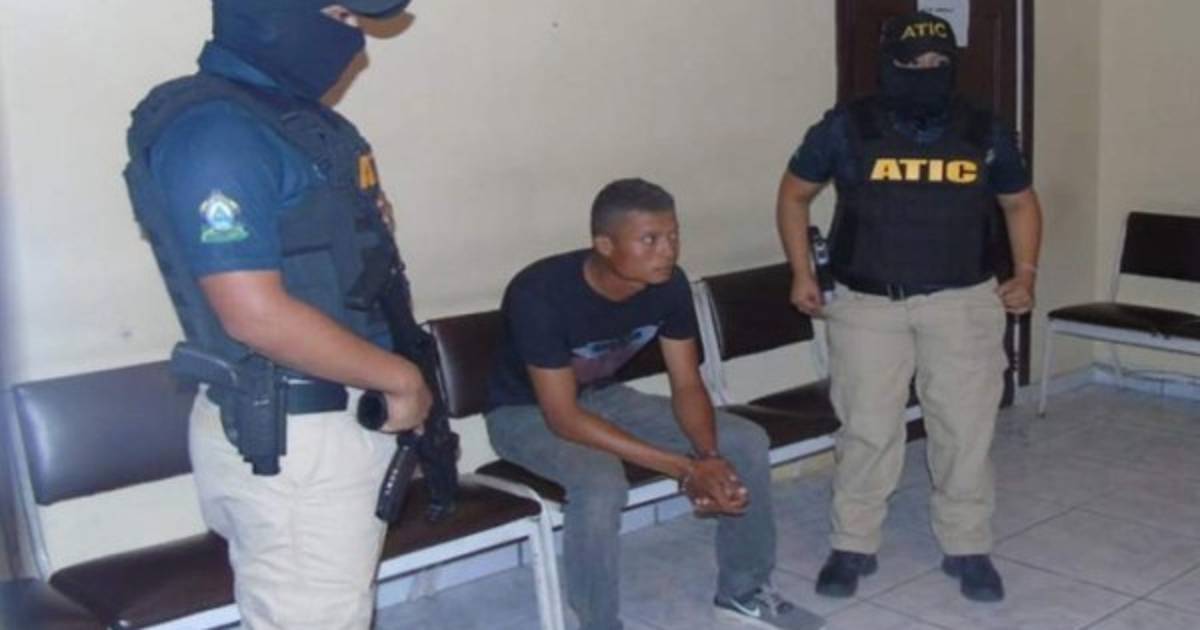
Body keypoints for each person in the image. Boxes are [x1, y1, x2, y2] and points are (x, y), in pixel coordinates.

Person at [123, 2, 431, 628]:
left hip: (325, 418)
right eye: (340, 15)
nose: (353, 40)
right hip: (297, 431)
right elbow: (254, 315)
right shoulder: (217, 131)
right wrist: (402, 379)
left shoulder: (285, 121)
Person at [776, 12, 1042, 603]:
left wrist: (1025, 273)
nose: (926, 70)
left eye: (938, 62)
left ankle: (968, 545)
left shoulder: (983, 127)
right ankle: (852, 543)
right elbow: (794, 194)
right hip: (868, 305)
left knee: (965, 430)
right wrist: (801, 272)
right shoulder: (848, 126)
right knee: (867, 429)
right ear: (889, 63)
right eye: (913, 61)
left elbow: (1020, 203)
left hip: (963, 302)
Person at [485, 178, 826, 630]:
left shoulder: (669, 285)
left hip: (605, 396)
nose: (667, 251)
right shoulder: (540, 292)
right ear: (605, 245)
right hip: (523, 414)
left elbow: (686, 383)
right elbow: (563, 417)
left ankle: (743, 593)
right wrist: (685, 469)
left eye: (673, 236)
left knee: (743, 440)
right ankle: (598, 624)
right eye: (649, 240)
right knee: (599, 482)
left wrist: (708, 456)